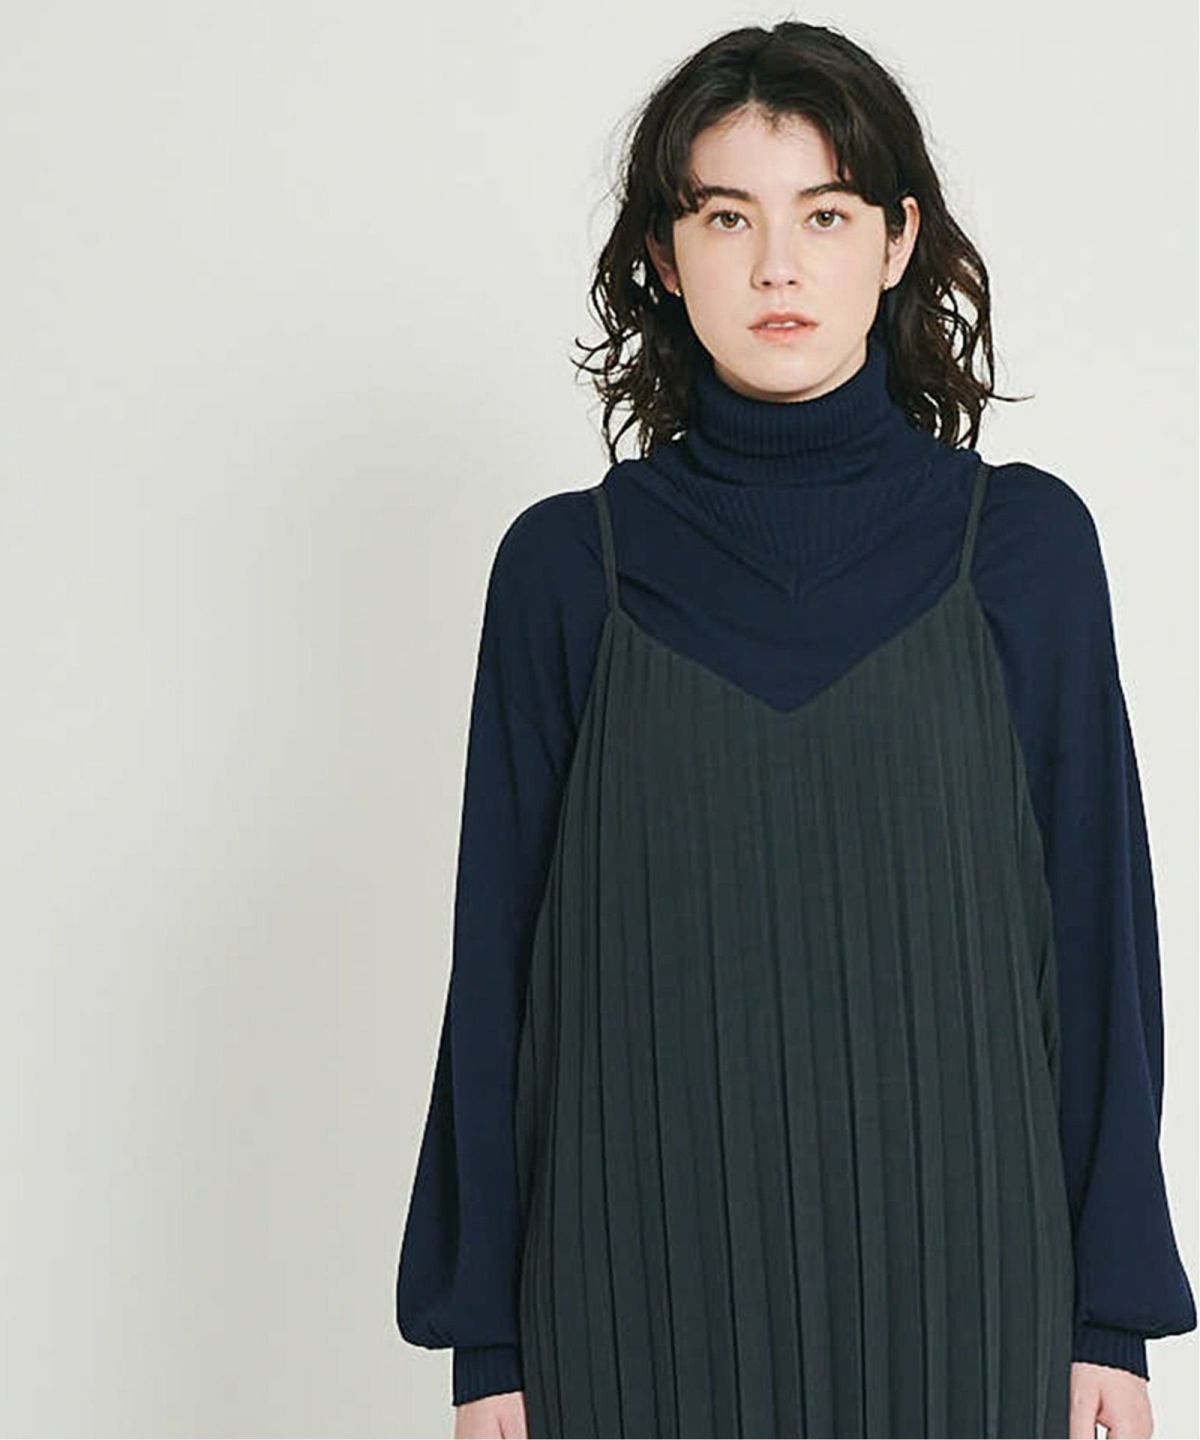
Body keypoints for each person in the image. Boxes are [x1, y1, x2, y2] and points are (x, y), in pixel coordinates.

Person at [394, 20, 1196, 1440]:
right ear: (665, 254)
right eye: (727, 216)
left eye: (823, 214)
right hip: (626, 1302)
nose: (777, 265)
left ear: (895, 242)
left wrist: (1109, 1322)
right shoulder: (566, 571)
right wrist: (487, 1348)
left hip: (974, 1297)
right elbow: (496, 971)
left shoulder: (1022, 550)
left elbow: (1099, 952)